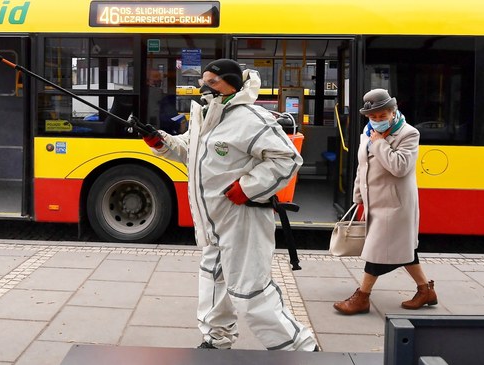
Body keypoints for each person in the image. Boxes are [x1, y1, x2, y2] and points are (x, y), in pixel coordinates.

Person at [142, 59, 319, 351]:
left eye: (212, 81)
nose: (204, 87)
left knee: (251, 293)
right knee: (212, 283)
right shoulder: (206, 117)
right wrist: (159, 141)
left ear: (231, 84)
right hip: (213, 222)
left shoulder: (251, 118)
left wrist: (248, 188)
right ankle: (217, 338)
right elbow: (190, 151)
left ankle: (300, 350)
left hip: (243, 221)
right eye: (203, 81)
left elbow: (287, 158)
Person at [333, 88, 437, 315]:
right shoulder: (367, 132)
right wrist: (358, 195)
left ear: (393, 112)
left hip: (395, 204)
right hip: (374, 202)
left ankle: (362, 297)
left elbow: (400, 168)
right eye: (373, 117)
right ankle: (425, 290)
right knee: (402, 248)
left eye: (382, 116)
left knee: (377, 251)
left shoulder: (409, 134)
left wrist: (380, 143)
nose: (377, 120)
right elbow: (363, 165)